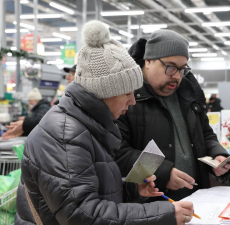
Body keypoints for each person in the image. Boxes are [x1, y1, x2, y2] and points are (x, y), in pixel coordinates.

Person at [16, 20, 193, 225]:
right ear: (104, 92)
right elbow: (81, 214)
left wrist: (131, 189)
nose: (133, 101)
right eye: (127, 93)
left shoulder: (90, 126)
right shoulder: (64, 135)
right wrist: (163, 213)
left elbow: (92, 190)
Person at [116, 30, 230, 201]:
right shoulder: (127, 96)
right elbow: (119, 151)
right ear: (148, 61)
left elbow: (205, 133)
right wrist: (163, 172)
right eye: (170, 67)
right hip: (153, 204)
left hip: (196, 197)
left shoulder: (189, 92)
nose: (177, 76)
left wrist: (217, 154)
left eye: (182, 68)